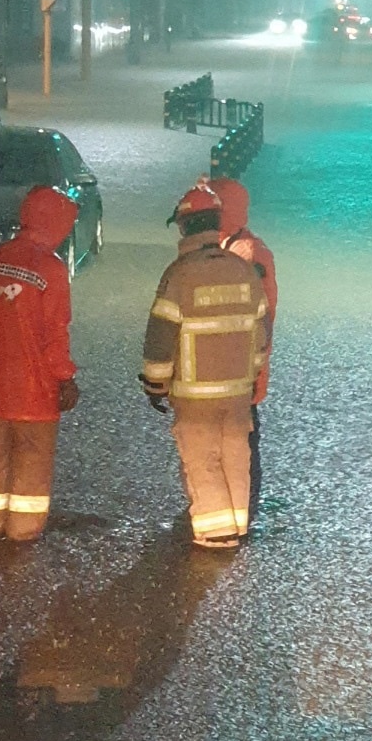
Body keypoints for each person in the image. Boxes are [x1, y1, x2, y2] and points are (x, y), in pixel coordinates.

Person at [140, 183, 267, 549]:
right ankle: (237, 526)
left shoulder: (179, 274)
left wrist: (155, 385)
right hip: (238, 392)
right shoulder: (243, 271)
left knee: (203, 459)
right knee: (234, 455)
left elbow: (160, 338)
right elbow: (261, 330)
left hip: (195, 395)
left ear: (183, 227)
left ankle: (216, 533)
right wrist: (252, 374)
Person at [0, 185, 80, 541]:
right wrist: (65, 378)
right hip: (34, 389)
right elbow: (54, 333)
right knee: (31, 459)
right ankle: (23, 528)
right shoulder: (49, 269)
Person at [212, 176, 277, 519]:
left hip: (241, 373)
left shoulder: (248, 254)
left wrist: (253, 370)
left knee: (242, 444)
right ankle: (233, 505)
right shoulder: (230, 248)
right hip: (230, 372)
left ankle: (243, 509)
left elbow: (258, 321)